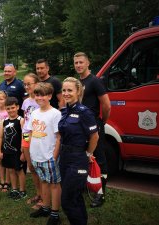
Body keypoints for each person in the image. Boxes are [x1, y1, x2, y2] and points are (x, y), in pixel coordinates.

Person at [58, 77, 99, 225]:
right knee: (74, 196)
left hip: (77, 158)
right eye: (64, 90)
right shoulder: (64, 111)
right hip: (64, 158)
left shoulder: (84, 112)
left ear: (78, 91)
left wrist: (88, 154)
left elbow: (95, 136)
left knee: (67, 200)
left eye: (70, 90)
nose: (66, 93)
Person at [73, 52, 111, 207]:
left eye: (81, 62)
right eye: (76, 63)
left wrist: (102, 122)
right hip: (80, 126)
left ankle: (100, 193)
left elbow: (106, 105)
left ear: (88, 63)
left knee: (99, 158)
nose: (78, 65)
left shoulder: (95, 81)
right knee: (84, 157)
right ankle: (85, 185)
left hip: (94, 125)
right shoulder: (76, 82)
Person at [28, 83, 62, 225]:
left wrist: (54, 156)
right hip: (36, 155)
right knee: (43, 181)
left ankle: (55, 213)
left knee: (54, 184)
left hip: (49, 156)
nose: (39, 98)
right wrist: (30, 149)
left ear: (49, 96)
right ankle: (46, 207)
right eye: (37, 95)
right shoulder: (34, 112)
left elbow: (59, 137)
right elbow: (30, 132)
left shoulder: (55, 113)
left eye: (42, 95)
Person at [0, 97, 26, 200]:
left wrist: (23, 151)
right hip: (7, 150)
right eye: (8, 108)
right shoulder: (4, 121)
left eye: (13, 107)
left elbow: (25, 136)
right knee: (10, 170)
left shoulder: (21, 120)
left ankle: (22, 190)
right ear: (5, 109)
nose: (11, 110)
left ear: (17, 107)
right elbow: (1, 137)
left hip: (18, 151)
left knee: (19, 170)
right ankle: (14, 189)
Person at [21, 73, 43, 209]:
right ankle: (39, 194)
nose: (27, 86)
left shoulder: (41, 100)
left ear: (36, 84)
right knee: (31, 167)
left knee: (40, 168)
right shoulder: (25, 101)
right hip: (26, 136)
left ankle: (45, 198)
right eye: (25, 84)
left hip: (38, 137)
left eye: (29, 83)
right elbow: (25, 121)